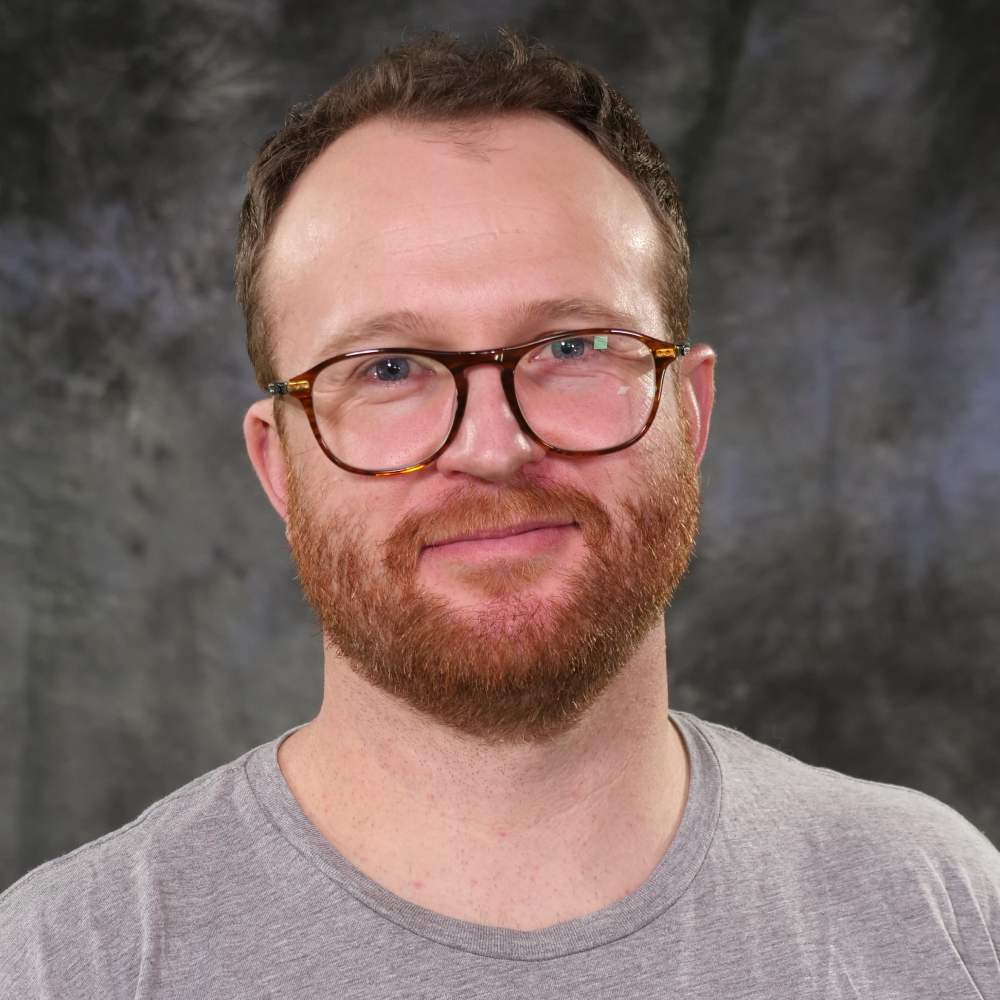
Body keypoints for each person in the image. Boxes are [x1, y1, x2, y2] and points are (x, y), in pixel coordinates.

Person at [2, 30, 998, 999]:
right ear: (279, 462)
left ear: (688, 413)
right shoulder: (62, 964)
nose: (491, 446)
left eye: (570, 348)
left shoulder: (940, 912)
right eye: (386, 367)